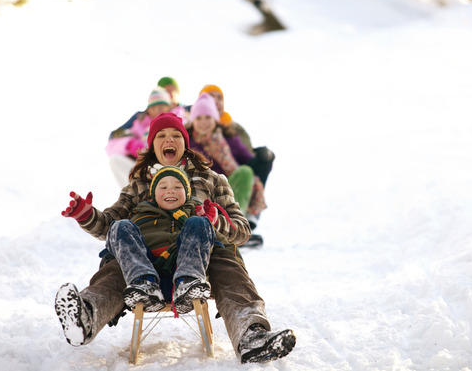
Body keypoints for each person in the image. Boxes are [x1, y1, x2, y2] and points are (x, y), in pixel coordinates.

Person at [55, 112, 295, 363]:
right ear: (152, 145)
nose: (169, 139)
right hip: (145, 262)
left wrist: (216, 221)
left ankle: (251, 335)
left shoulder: (212, 179)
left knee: (230, 270)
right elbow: (111, 228)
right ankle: (85, 316)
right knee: (115, 269)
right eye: (161, 135)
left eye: (175, 135)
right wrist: (86, 215)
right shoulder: (139, 184)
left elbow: (242, 230)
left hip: (203, 261)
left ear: (185, 143)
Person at [118, 164, 232, 315]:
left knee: (198, 222)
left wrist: (210, 226)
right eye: (163, 187)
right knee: (121, 225)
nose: (170, 190)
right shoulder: (141, 216)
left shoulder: (197, 216)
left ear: (187, 193)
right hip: (149, 280)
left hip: (187, 283)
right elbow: (121, 245)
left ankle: (188, 282)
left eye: (177, 187)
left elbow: (224, 246)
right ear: (153, 194)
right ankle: (143, 283)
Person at [197, 84, 276, 229]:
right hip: (207, 187)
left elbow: (248, 158)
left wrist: (264, 157)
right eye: (210, 97)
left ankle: (242, 219)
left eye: (219, 98)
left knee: (252, 168)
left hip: (232, 180)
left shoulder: (232, 132)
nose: (215, 101)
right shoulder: (190, 136)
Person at [186, 93, 266, 224]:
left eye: (208, 117)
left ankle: (236, 223)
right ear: (193, 121)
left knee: (245, 171)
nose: (203, 122)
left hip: (226, 190)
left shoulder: (229, 139)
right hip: (199, 190)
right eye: (198, 118)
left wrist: (264, 160)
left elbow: (249, 162)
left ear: (215, 119)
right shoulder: (187, 141)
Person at [106, 85, 182, 188]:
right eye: (153, 107)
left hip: (168, 163)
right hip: (145, 164)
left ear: (169, 107)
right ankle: (132, 193)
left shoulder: (179, 119)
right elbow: (112, 143)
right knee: (114, 159)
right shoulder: (139, 124)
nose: (158, 110)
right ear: (148, 109)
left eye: (161, 106)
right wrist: (130, 144)